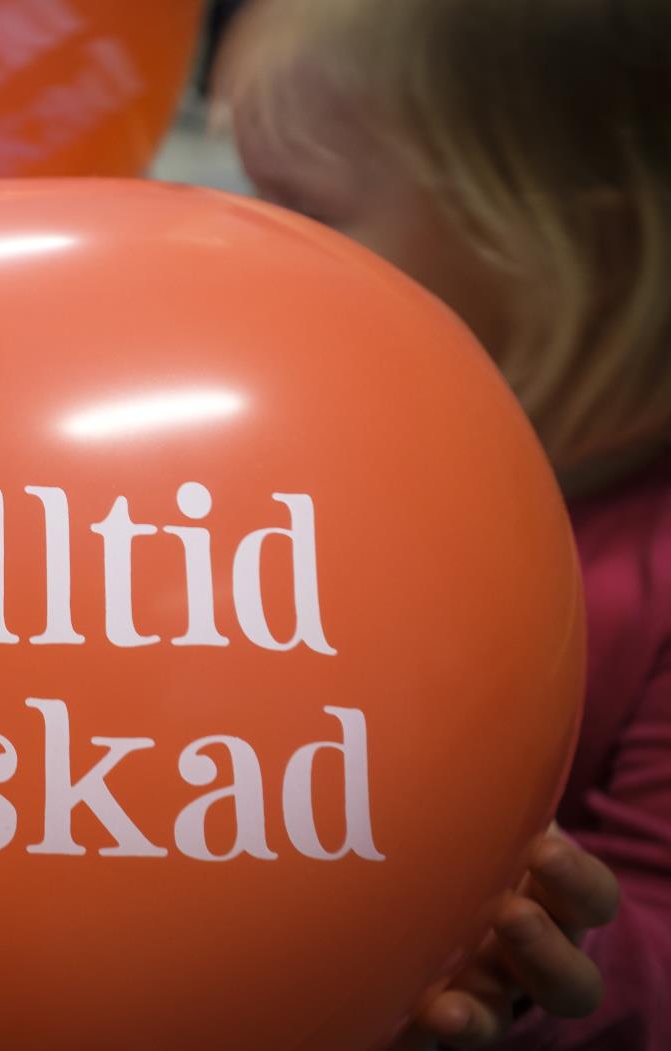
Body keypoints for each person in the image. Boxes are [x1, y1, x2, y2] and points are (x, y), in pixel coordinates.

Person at [222, 1, 670, 1047]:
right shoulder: (301, 427)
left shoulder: (642, 576)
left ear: (567, 241)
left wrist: (525, 951)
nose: (245, 252)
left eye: (306, 212)